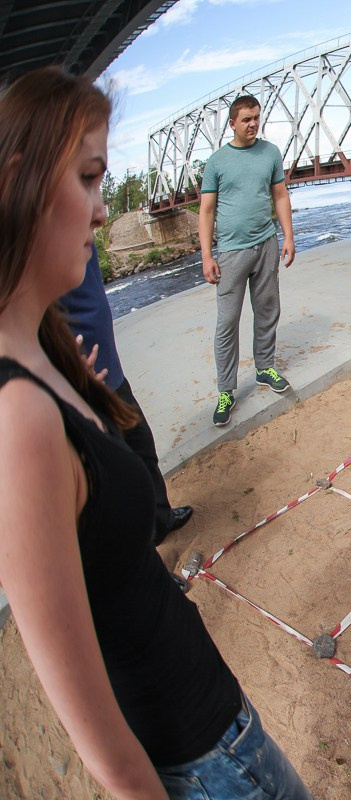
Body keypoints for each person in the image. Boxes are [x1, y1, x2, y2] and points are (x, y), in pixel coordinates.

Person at [0, 66, 310, 800]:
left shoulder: (46, 365)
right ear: (19, 183)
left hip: (212, 720)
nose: (104, 212)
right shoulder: (18, 420)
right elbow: (88, 718)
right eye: (88, 177)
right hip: (203, 757)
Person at [60, 245, 195, 545]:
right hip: (83, 384)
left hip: (112, 374)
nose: (100, 213)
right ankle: (147, 558)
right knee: (121, 480)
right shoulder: (32, 241)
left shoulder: (79, 231)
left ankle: (161, 519)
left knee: (143, 448)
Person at [199, 94, 296, 427]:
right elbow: (207, 210)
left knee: (268, 309)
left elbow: (280, 195)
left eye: (256, 117)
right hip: (230, 252)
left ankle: (265, 369)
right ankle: (226, 391)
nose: (253, 123)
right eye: (246, 119)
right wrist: (207, 255)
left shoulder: (270, 152)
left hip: (266, 243)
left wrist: (289, 237)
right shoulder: (216, 162)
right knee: (227, 323)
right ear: (232, 123)